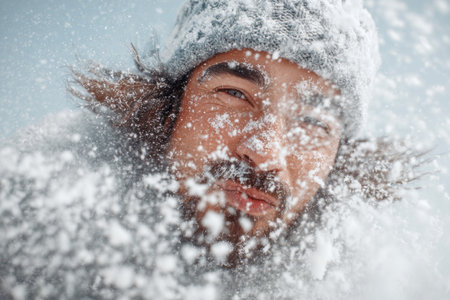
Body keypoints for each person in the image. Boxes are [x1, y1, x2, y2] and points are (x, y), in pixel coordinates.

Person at [0, 0, 420, 298]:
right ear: (166, 107)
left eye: (313, 123)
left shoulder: (367, 285)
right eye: (235, 93)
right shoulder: (24, 228)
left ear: (336, 162)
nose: (265, 152)